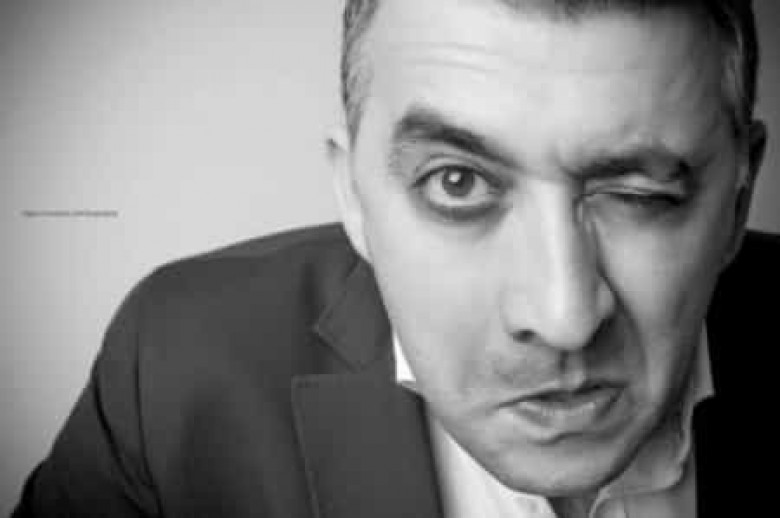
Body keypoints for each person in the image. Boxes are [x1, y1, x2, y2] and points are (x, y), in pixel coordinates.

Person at [11, 0, 779, 516]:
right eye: (457, 183)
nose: (563, 317)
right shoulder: (172, 370)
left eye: (640, 193)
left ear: (740, 197)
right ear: (354, 194)